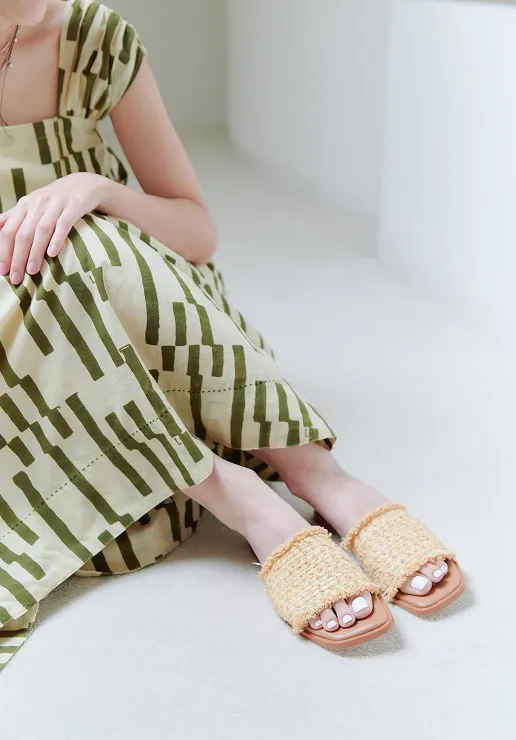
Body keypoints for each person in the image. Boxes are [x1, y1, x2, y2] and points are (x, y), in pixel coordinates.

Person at [0, 0, 465, 668]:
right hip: (24, 352)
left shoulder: (95, 40)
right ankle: (239, 495)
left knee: (91, 245)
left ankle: (317, 474)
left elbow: (196, 234)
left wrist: (95, 190)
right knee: (70, 262)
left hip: (133, 299)